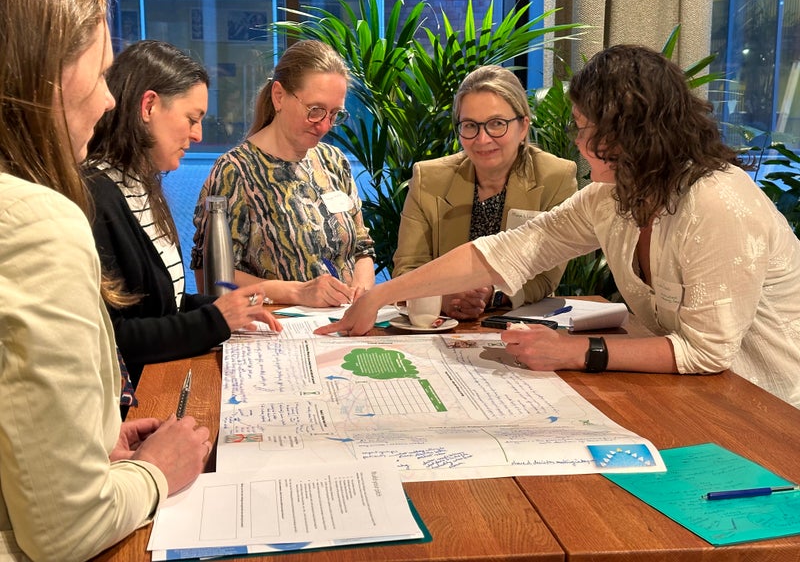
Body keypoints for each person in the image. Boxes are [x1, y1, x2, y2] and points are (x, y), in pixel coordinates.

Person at [317, 44, 800, 410]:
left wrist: (574, 351)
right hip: (691, 396)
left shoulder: (716, 201)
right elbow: (511, 249)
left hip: (767, 408)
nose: (577, 140)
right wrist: (379, 296)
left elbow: (706, 351)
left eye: (583, 127)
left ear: (631, 131)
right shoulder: (611, 196)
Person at [0, 0, 211, 559]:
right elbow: (64, 531)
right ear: (43, 80)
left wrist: (92, 440)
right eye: (98, 74)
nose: (107, 99)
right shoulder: (45, 218)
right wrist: (156, 472)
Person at [84, 40, 281, 392]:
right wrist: (216, 319)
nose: (198, 134)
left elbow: (163, 306)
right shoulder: (96, 196)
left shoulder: (140, 187)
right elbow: (114, 336)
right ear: (148, 106)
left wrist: (226, 308)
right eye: (192, 119)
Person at [190, 39, 376, 307]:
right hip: (277, 331)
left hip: (341, 324)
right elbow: (211, 278)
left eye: (335, 114)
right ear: (279, 96)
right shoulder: (235, 171)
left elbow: (362, 249)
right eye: (315, 111)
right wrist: (296, 292)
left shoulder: (334, 161)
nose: (325, 126)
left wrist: (361, 291)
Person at [392, 65, 577, 320]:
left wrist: (494, 294)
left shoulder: (555, 177)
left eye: (497, 124)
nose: (482, 139)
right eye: (470, 125)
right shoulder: (429, 178)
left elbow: (545, 277)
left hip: (518, 324)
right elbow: (408, 269)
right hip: (442, 324)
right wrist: (443, 297)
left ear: (523, 126)